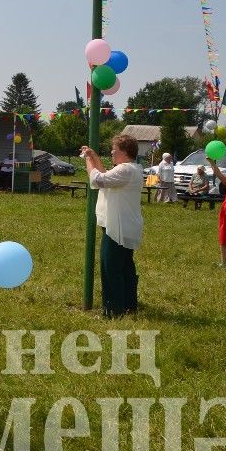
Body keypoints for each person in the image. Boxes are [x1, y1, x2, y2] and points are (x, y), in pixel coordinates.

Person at [81, 134, 144, 317]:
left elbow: (96, 180)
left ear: (124, 152)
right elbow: (106, 178)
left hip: (117, 227)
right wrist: (94, 157)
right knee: (124, 267)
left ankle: (113, 309)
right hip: (125, 225)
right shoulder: (131, 168)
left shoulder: (125, 170)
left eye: (114, 149)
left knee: (111, 268)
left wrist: (87, 159)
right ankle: (128, 305)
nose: (111, 152)